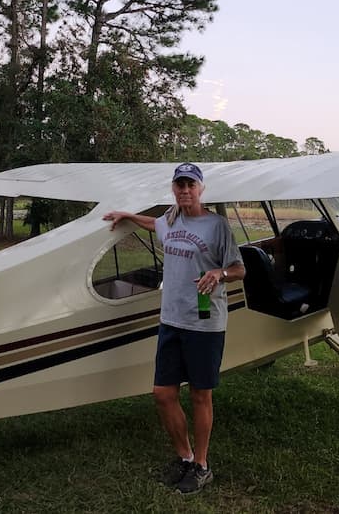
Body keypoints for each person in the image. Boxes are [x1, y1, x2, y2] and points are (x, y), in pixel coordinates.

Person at [103, 162, 245, 495]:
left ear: (201, 189)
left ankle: (202, 466)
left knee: (200, 394)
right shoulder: (170, 219)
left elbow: (239, 268)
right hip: (171, 320)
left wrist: (219, 274)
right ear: (173, 189)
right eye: (180, 185)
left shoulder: (217, 225)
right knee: (163, 394)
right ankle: (185, 457)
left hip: (204, 322)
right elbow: (152, 224)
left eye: (191, 185)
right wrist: (128, 216)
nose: (185, 190)